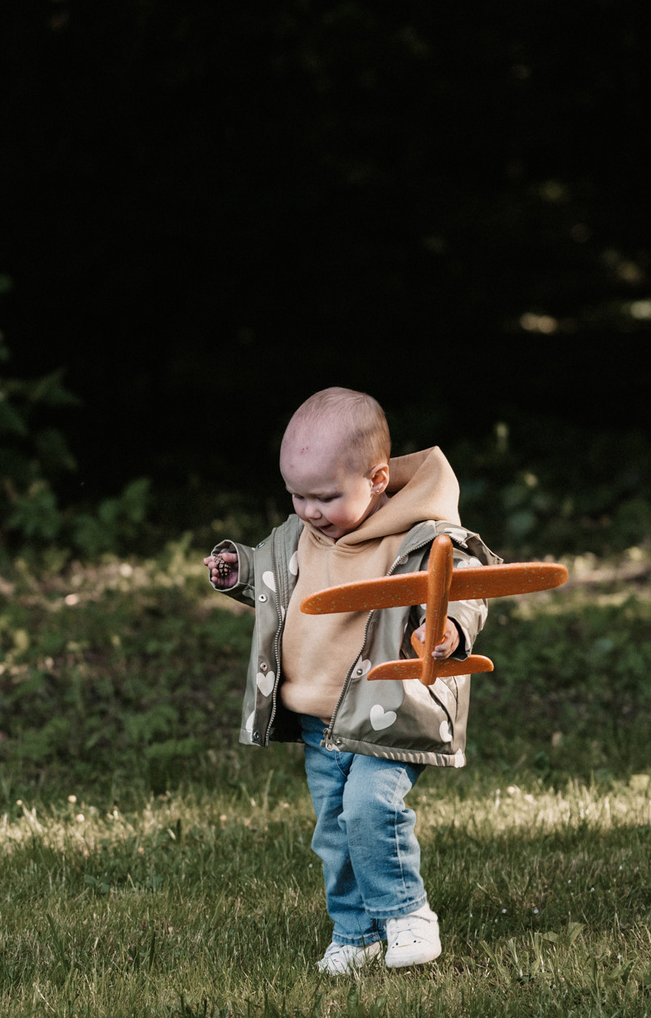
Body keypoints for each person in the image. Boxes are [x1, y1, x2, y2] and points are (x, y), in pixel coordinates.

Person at [202, 387, 496, 976]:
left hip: (388, 707)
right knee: (334, 831)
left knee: (370, 805)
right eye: (297, 495)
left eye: (325, 497)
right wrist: (239, 571)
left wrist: (450, 632)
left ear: (378, 478)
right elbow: (274, 581)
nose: (309, 510)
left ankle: (406, 913)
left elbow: (467, 583)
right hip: (318, 719)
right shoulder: (299, 537)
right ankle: (355, 932)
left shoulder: (418, 535)